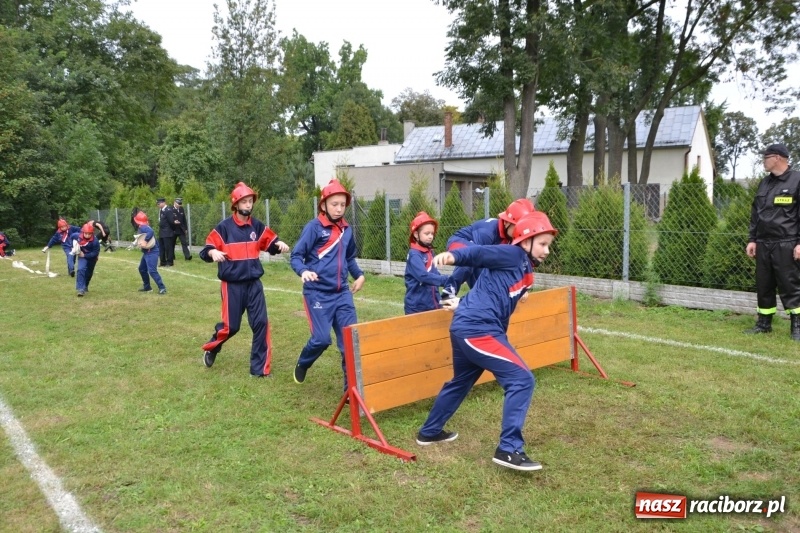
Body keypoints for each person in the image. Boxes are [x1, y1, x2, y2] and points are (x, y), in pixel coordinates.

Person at [416, 211, 557, 472]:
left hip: (469, 327)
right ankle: (508, 449)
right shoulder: (513, 254)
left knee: (461, 381)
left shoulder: (525, 270)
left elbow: (492, 289)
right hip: (477, 330)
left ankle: (429, 432)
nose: (547, 250)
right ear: (525, 242)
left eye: (549, 244)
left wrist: (522, 291)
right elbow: (479, 253)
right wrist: (454, 256)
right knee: (522, 379)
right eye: (542, 244)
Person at [200, 182, 289, 378]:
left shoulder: (256, 226)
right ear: (235, 204)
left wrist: (278, 244)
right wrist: (213, 252)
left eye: (250, 201)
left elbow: (270, 243)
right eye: (245, 202)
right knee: (231, 327)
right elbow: (205, 250)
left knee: (261, 324)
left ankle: (259, 370)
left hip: (254, 284)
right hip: (231, 285)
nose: (249, 205)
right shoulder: (223, 228)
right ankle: (212, 347)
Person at [290, 178, 365, 388]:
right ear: (323, 205)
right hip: (317, 294)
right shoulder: (314, 228)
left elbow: (350, 258)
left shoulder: (347, 230)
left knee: (350, 344)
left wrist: (359, 275)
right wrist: (303, 271)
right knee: (322, 339)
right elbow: (296, 256)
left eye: (343, 204)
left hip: (343, 295)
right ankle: (304, 362)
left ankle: (351, 391)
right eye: (334, 204)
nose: (339, 209)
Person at [745, 143, 800, 341]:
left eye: (766, 157)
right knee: (764, 284)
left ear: (777, 158)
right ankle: (764, 323)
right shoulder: (764, 183)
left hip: (787, 242)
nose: (763, 161)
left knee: (790, 284)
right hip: (763, 243)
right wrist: (752, 239)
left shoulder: (797, 180)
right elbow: (755, 213)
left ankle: (797, 326)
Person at [442, 198, 535, 299]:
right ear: (506, 222)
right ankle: (449, 290)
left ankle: (479, 299)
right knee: (474, 256)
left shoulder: (513, 237)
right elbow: (475, 254)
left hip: (478, 251)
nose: (520, 231)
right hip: (459, 242)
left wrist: (522, 287)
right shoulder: (488, 232)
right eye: (518, 227)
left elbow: (520, 262)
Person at [404, 211, 449, 314]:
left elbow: (435, 274)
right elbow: (423, 276)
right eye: (426, 233)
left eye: (432, 233)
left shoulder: (430, 252)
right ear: (416, 234)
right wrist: (446, 279)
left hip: (433, 304)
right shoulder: (414, 255)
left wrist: (448, 281)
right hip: (417, 307)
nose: (430, 236)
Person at [132, 211, 167, 295]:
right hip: (148, 252)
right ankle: (147, 287)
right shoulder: (144, 226)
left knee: (152, 271)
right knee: (142, 269)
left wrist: (145, 241)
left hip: (151, 252)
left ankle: (162, 288)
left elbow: (151, 233)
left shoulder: (143, 227)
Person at [73, 222, 100, 297]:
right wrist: (74, 247)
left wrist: (85, 255)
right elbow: (71, 236)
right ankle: (80, 289)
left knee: (88, 273)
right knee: (80, 269)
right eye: (86, 233)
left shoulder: (95, 242)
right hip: (82, 257)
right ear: (83, 232)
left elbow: (95, 253)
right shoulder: (78, 236)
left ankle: (85, 285)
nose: (87, 235)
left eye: (89, 234)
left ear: (92, 233)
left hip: (92, 258)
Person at [157, 198, 177, 267]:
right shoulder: (161, 211)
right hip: (162, 232)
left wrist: (171, 230)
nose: (158, 205)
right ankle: (163, 262)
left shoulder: (168, 210)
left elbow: (171, 222)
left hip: (167, 232)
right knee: (161, 248)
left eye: (159, 203)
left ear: (163, 203)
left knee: (168, 248)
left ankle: (169, 262)